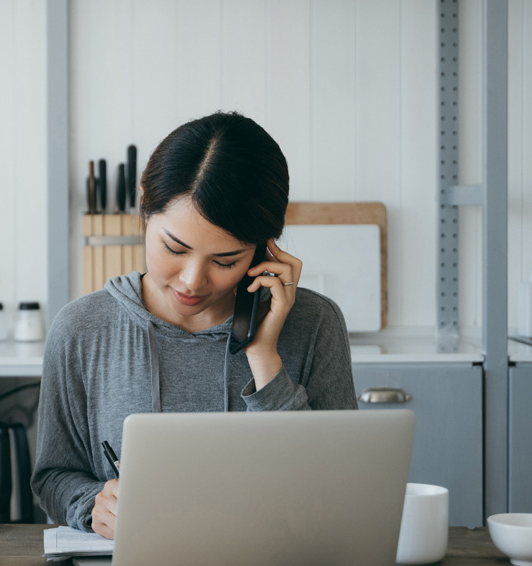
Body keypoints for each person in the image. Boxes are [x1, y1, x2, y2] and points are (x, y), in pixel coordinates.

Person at [32, 111, 357, 539]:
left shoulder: (315, 325)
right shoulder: (82, 328)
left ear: (265, 248)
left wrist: (264, 358)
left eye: (226, 261)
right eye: (174, 247)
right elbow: (54, 476)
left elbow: (342, 488)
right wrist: (93, 504)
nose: (192, 281)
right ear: (144, 204)